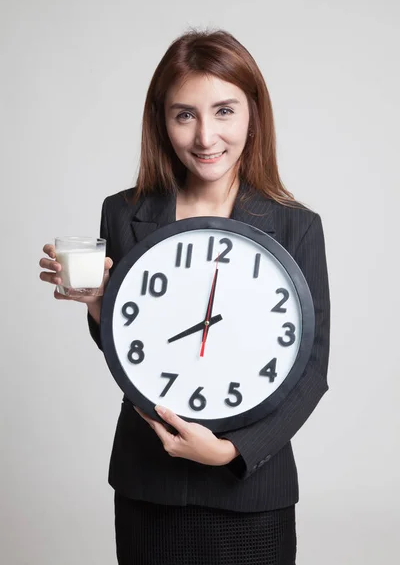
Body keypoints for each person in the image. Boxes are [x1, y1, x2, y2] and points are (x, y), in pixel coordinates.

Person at [39, 29, 330, 565]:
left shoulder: (295, 227)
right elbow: (136, 353)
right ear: (162, 122)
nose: (205, 137)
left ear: (253, 115)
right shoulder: (125, 214)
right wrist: (100, 306)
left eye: (224, 111)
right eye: (184, 115)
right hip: (149, 485)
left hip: (251, 491)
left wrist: (229, 453)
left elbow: (310, 371)